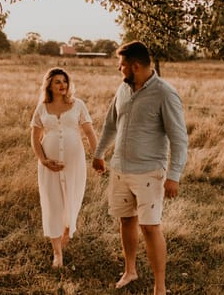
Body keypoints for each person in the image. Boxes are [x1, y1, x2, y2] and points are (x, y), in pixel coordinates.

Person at [92, 41, 188, 295]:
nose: (118, 69)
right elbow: (110, 124)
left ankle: (160, 287)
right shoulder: (122, 90)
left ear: (135, 66)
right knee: (126, 220)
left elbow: (179, 139)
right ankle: (130, 270)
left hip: (149, 172)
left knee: (149, 227)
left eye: (121, 65)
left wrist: (174, 176)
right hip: (120, 169)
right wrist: (99, 153)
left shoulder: (165, 93)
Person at [31, 67, 98, 268]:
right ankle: (57, 253)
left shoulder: (78, 105)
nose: (63, 85)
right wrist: (43, 160)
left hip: (74, 161)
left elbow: (90, 133)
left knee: (73, 197)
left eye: (65, 81)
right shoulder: (42, 107)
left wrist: (98, 157)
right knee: (52, 204)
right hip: (49, 163)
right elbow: (34, 138)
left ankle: (68, 227)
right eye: (58, 82)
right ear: (49, 85)